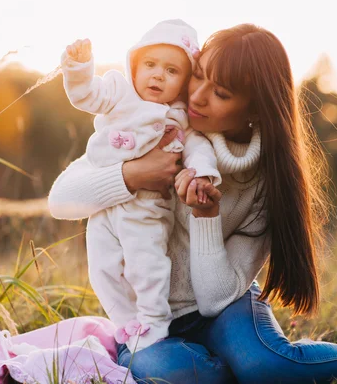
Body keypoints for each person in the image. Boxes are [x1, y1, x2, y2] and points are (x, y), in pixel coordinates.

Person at [49, 23, 337, 383]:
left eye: (222, 93)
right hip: (151, 318)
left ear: (255, 109)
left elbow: (215, 300)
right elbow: (61, 200)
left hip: (227, 307)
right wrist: (133, 174)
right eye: (197, 75)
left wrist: (206, 214)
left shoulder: (267, 183)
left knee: (263, 365)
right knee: (174, 373)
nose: (196, 95)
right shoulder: (156, 126)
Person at [59, 19, 221, 353]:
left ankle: (152, 326)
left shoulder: (180, 119)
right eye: (149, 64)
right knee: (102, 269)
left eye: (171, 70)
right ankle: (125, 322)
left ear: (184, 82)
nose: (158, 75)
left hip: (147, 209)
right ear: (134, 64)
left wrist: (203, 173)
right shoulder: (119, 90)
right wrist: (79, 68)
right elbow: (87, 95)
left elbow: (198, 147)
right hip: (105, 206)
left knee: (147, 267)